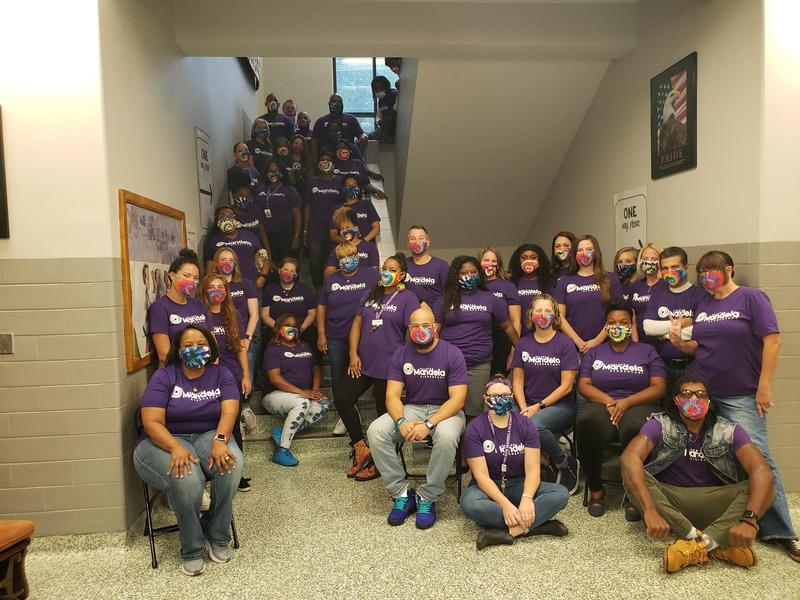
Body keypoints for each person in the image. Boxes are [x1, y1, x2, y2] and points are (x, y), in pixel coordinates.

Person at [670, 250, 799, 561]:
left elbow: (773, 341)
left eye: (713, 271)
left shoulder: (751, 297)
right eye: (703, 272)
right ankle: (718, 520)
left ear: (729, 269)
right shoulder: (703, 303)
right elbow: (699, 345)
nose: (707, 277)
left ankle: (780, 530)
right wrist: (679, 342)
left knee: (759, 458)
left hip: (741, 393)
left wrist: (764, 387)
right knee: (711, 454)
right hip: (703, 394)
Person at [621, 377, 775, 572]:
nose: (694, 398)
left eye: (701, 394)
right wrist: (650, 510)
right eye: (686, 394)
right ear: (676, 400)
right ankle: (716, 545)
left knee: (766, 486)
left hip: (715, 502)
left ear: (709, 402)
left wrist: (749, 520)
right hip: (671, 503)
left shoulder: (728, 430)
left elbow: (762, 470)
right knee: (632, 471)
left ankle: (698, 546)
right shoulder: (659, 423)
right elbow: (629, 457)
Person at [133, 325, 243, 576]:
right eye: (188, 345)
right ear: (178, 350)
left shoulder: (221, 373)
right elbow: (151, 422)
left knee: (231, 464)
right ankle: (192, 548)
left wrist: (220, 440)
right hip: (164, 439)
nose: (196, 349)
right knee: (187, 477)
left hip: (208, 435)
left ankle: (217, 534)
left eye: (201, 343)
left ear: (211, 347)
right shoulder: (165, 376)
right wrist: (174, 446)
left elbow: (229, 410)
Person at [367, 306, 468, 529]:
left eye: (425, 325)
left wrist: (429, 424)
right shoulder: (401, 353)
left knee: (447, 435)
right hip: (413, 408)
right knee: (376, 431)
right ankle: (401, 493)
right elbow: (392, 396)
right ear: (409, 329)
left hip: (446, 410)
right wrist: (401, 422)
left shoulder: (452, 353)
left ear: (434, 327)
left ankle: (428, 496)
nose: (420, 330)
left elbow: (458, 399)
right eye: (415, 326)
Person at [333, 254, 420, 481]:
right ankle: (361, 447)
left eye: (392, 269)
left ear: (401, 275)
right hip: (364, 363)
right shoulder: (372, 293)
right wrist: (353, 354)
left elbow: (412, 335)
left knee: (385, 416)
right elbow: (357, 324)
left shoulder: (408, 298)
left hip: (390, 367)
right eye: (384, 268)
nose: (386, 272)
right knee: (342, 397)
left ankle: (382, 463)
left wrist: (406, 367)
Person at [577, 299, 666, 518]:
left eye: (623, 322)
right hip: (603, 405)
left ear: (631, 324)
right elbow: (584, 385)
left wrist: (627, 402)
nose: (617, 326)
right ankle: (597, 489)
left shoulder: (646, 351)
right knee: (585, 422)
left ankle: (634, 493)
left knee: (636, 426)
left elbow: (659, 387)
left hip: (639, 404)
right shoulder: (594, 353)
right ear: (605, 326)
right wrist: (609, 401)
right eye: (612, 322)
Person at [460, 377, 570, 549]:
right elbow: (481, 477)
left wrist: (526, 499)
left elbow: (533, 470)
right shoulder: (474, 428)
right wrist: (505, 505)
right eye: (494, 395)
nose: (500, 399)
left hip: (520, 483)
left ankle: (508, 532)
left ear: (512, 396)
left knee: (561, 493)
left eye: (505, 395)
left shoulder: (526, 425)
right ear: (485, 398)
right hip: (488, 487)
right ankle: (535, 526)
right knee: (469, 502)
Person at [511, 295, 580, 494]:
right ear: (531, 315)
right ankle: (539, 463)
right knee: (506, 418)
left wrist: (538, 407)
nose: (543, 315)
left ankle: (564, 463)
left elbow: (566, 386)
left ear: (556, 317)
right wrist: (524, 407)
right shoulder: (523, 343)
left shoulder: (565, 344)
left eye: (548, 311)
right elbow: (517, 381)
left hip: (559, 406)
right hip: (527, 403)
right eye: (538, 311)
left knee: (533, 424)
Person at [439, 256, 519, 420]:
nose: (469, 275)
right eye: (464, 273)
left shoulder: (490, 298)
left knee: (473, 412)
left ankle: (471, 443)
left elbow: (507, 326)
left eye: (473, 272)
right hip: (448, 363)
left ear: (479, 274)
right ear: (456, 275)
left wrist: (520, 347)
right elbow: (435, 330)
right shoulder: (445, 299)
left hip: (478, 364)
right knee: (449, 410)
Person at [200, 275, 252, 492]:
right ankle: (208, 471)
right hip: (208, 377)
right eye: (211, 287)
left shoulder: (233, 314)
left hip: (232, 376)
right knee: (210, 423)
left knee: (233, 426)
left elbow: (240, 347)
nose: (216, 290)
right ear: (204, 290)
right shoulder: (200, 314)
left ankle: (236, 473)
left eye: (220, 287)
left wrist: (246, 375)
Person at [262, 314, 331, 466]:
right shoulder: (273, 349)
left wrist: (314, 390)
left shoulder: (305, 346)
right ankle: (282, 450)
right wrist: (303, 393)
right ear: (279, 328)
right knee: (303, 403)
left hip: (301, 395)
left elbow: (316, 369)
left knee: (324, 403)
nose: (290, 328)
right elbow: (275, 378)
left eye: (294, 325)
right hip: (274, 395)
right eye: (286, 324)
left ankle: (282, 432)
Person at [643, 246, 706, 403]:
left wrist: (663, 333)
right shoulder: (658, 292)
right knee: (666, 409)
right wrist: (682, 327)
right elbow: (648, 328)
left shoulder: (700, 295)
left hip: (692, 365)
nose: (669, 271)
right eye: (665, 268)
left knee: (689, 409)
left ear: (685, 267)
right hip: (663, 364)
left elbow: (701, 331)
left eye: (675, 267)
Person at [316, 243, 380, 395]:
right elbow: (321, 307)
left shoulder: (372, 275)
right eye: (342, 257)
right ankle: (342, 409)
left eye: (350, 256)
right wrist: (321, 333)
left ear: (357, 256)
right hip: (336, 336)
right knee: (338, 375)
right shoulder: (331, 279)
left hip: (366, 335)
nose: (346, 260)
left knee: (370, 373)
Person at [554, 234, 624, 356]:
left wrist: (598, 340)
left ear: (596, 252)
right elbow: (559, 316)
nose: (584, 253)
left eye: (589, 250)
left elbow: (618, 314)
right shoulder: (564, 282)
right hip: (574, 349)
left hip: (607, 345)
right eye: (580, 250)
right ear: (574, 254)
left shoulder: (611, 279)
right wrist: (578, 342)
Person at [147, 249, 210, 367]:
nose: (191, 280)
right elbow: (163, 354)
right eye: (187, 276)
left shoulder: (199, 305)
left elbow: (212, 342)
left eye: (195, 278)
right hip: (176, 373)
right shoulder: (160, 307)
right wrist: (192, 364)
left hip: (204, 371)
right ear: (172, 276)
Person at [304, 151, 344, 289]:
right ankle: (318, 290)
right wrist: (305, 230)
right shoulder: (312, 181)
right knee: (315, 264)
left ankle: (332, 290)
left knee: (333, 263)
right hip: (315, 230)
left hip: (335, 231)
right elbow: (307, 206)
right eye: (322, 160)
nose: (325, 162)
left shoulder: (340, 182)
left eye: (328, 159)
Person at [479, 247, 521, 375]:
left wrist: (514, 351)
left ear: (499, 264)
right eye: (486, 260)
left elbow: (516, 321)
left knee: (497, 382)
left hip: (502, 339)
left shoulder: (507, 286)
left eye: (494, 261)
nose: (490, 264)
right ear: (479, 263)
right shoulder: (474, 285)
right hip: (478, 338)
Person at [203, 206, 267, 287]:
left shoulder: (248, 235)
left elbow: (264, 257)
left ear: (236, 219)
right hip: (226, 287)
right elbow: (210, 268)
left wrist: (263, 277)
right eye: (222, 216)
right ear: (217, 220)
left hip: (252, 284)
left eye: (230, 215)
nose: (227, 218)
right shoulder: (213, 240)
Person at [261, 257, 317, 349]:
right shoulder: (269, 290)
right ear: (279, 271)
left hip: (302, 330)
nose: (288, 273)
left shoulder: (305, 289)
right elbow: (265, 315)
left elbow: (312, 313)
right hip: (276, 330)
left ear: (296, 274)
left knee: (312, 335)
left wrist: (301, 329)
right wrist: (279, 329)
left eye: (292, 271)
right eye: (285, 270)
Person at [255, 160, 302, 265]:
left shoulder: (290, 190)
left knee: (287, 265)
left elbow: (297, 216)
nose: (273, 173)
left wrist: (296, 237)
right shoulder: (260, 189)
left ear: (281, 172)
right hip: (266, 235)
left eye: (276, 171)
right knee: (270, 265)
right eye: (270, 171)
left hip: (286, 236)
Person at [623, 244, 664, 347]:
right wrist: (636, 344)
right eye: (645, 258)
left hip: (663, 343)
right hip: (639, 342)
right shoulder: (634, 286)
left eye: (654, 259)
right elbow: (632, 319)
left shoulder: (666, 286)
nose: (649, 262)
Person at [509, 243, 554, 336]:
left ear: (540, 260)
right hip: (519, 335)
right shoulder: (511, 282)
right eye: (524, 258)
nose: (528, 261)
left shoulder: (549, 281)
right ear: (518, 260)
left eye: (533, 257)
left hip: (544, 334)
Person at [323, 206, 379, 276]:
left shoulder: (370, 247)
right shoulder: (337, 249)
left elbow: (374, 272)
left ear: (356, 228)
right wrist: (345, 270)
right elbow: (327, 273)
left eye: (347, 227)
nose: (345, 231)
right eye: (342, 229)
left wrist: (355, 272)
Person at [404, 225, 450, 310]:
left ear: (428, 242)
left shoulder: (442, 266)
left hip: (434, 317)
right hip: (408, 316)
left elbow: (449, 294)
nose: (417, 242)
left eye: (421, 238)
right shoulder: (402, 265)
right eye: (413, 239)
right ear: (408, 244)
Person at [311, 94, 368, 158]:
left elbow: (361, 134)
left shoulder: (351, 119)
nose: (336, 103)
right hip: (326, 156)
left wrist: (364, 137)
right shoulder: (320, 121)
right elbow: (314, 141)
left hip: (348, 156)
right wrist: (315, 159)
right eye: (334, 101)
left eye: (339, 101)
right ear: (329, 104)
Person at [328, 176, 381, 243]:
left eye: (354, 184)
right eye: (348, 185)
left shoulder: (366, 204)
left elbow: (376, 228)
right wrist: (348, 244)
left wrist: (362, 243)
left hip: (366, 247)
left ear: (358, 188)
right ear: (343, 188)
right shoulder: (337, 209)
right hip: (346, 249)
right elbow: (333, 235)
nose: (351, 187)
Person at [371, 75, 398, 142]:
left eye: (380, 88)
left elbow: (395, 110)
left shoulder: (395, 95)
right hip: (384, 130)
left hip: (395, 130)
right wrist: (379, 121)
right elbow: (378, 115)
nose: (378, 91)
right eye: (375, 89)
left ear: (386, 87)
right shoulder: (381, 100)